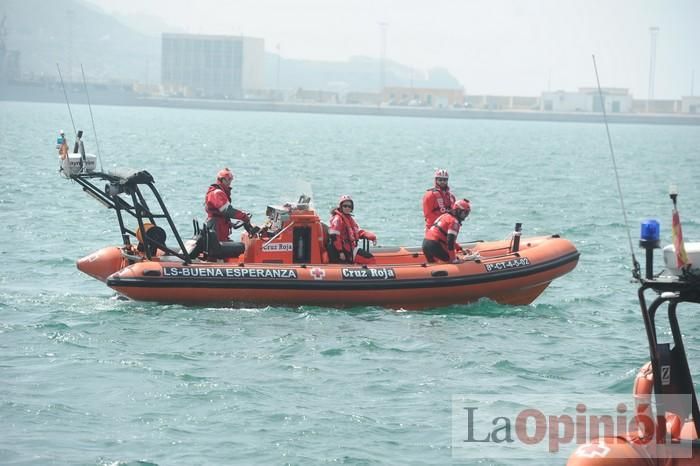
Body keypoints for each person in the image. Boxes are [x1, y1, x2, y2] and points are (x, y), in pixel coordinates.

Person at [204, 168, 258, 241]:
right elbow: (227, 211)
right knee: (240, 247)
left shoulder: (218, 192)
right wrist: (243, 216)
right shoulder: (217, 193)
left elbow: (223, 213)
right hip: (217, 230)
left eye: (230, 180)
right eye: (228, 180)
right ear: (222, 180)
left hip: (219, 229)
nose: (230, 183)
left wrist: (232, 223)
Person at [328, 195, 377, 264]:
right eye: (345, 206)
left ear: (352, 208)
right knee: (370, 259)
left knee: (369, 257)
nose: (347, 208)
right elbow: (334, 237)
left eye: (349, 206)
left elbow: (357, 232)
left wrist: (370, 236)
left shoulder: (349, 219)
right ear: (341, 207)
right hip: (344, 250)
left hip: (350, 248)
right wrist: (340, 252)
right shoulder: (338, 219)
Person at [422, 198, 471, 263]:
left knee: (433, 264)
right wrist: (453, 259)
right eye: (464, 213)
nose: (465, 216)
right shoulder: (454, 221)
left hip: (425, 243)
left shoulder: (444, 216)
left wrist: (459, 248)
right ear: (457, 210)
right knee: (452, 261)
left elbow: (445, 237)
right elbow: (450, 242)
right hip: (435, 245)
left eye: (467, 213)